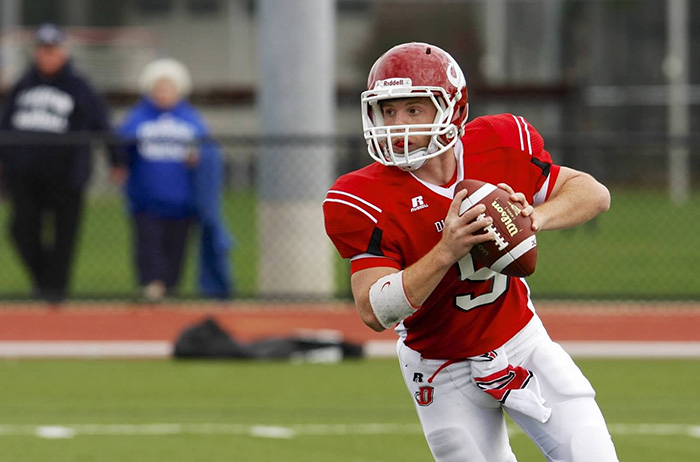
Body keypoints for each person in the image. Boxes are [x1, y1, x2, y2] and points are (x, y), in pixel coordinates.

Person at [323, 42, 618, 462]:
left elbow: (593, 193)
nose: (396, 124)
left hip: (521, 342)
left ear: (452, 110)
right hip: (440, 368)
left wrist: (532, 218)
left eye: (412, 110)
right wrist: (446, 250)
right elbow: (373, 310)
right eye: (388, 111)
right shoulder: (362, 195)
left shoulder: (498, 144)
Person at [0, 24, 126, 303]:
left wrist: (117, 160)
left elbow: (102, 124)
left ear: (63, 52)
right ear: (36, 53)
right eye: (43, 50)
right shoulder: (22, 85)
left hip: (67, 174)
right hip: (24, 175)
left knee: (64, 236)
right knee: (21, 230)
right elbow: (4, 125)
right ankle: (46, 283)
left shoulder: (79, 87)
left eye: (53, 50)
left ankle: (55, 294)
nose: (48, 56)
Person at [119, 58, 233, 302]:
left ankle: (169, 290)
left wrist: (199, 158)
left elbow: (207, 153)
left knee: (176, 253)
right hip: (146, 201)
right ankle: (152, 286)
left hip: (183, 202)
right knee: (149, 250)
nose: (163, 93)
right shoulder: (138, 118)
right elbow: (121, 149)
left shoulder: (191, 119)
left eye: (168, 87)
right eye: (158, 87)